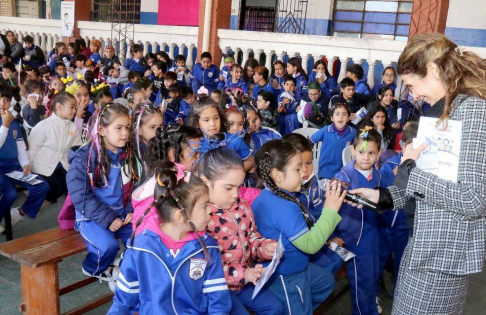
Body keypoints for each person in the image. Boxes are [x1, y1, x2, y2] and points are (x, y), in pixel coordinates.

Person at [348, 33, 486, 315]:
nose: (412, 94)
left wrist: (409, 170)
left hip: (442, 254)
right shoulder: (444, 110)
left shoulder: (473, 110)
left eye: (411, 84)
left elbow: (473, 199)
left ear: (433, 71)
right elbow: (433, 181)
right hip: (424, 244)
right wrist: (383, 196)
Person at [109, 161, 231, 314]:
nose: (210, 211)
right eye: (204, 206)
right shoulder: (140, 247)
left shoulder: (208, 247)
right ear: (181, 216)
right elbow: (124, 302)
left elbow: (217, 300)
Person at [252, 140, 345, 315]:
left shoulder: (276, 194)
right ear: (278, 175)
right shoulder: (282, 206)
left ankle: (302, 305)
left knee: (326, 283)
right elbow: (311, 245)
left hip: (297, 267)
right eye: (297, 168)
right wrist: (330, 211)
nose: (304, 172)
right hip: (286, 277)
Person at [199, 146, 284, 315]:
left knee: (276, 308)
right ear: (205, 182)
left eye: (239, 187)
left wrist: (264, 247)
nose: (236, 195)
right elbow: (207, 267)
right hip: (218, 289)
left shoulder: (242, 206)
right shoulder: (202, 218)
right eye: (228, 188)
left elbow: (251, 237)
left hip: (244, 282)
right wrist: (245, 273)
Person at [66, 103, 133, 283]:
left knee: (142, 241)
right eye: (118, 128)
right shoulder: (84, 159)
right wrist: (108, 218)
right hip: (92, 215)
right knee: (107, 247)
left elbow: (136, 187)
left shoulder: (128, 154)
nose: (125, 133)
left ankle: (126, 269)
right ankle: (93, 268)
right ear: (102, 130)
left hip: (121, 213)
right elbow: (80, 195)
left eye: (127, 127)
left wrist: (131, 210)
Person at [333, 127, 382, 315]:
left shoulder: (377, 175)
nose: (366, 157)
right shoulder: (343, 178)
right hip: (353, 238)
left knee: (372, 277)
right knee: (361, 282)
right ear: (353, 150)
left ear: (378, 153)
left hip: (373, 234)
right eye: (361, 152)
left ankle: (371, 310)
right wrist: (333, 235)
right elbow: (329, 208)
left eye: (371, 153)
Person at [282, 133, 343, 275]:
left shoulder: (312, 181)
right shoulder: (285, 193)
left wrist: (329, 236)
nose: (304, 170)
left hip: (318, 234)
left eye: (308, 163)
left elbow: (320, 209)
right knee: (327, 266)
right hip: (301, 244)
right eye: (298, 166)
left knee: (339, 257)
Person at [132, 124, 202, 234]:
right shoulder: (159, 189)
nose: (199, 157)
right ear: (173, 154)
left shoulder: (181, 176)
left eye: (200, 152)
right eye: (194, 153)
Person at [375, 122, 418, 304]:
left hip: (403, 228)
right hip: (383, 224)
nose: (416, 151)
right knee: (379, 258)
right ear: (403, 145)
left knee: (402, 262)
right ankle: (374, 289)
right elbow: (381, 190)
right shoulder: (389, 164)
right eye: (412, 146)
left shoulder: (422, 171)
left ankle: (398, 295)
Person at [0, 83, 50, 228]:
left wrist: (25, 164)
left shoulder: (13, 121)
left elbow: (20, 146)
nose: (3, 103)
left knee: (42, 186)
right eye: (0, 99)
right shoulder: (8, 122)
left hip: (13, 166)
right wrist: (5, 125)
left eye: (7, 99)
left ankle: (20, 213)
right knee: (10, 194)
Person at [28, 92, 81, 206]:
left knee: (71, 185)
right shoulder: (44, 125)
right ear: (59, 107)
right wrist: (28, 168)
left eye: (75, 107)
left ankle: (66, 216)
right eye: (72, 107)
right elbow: (31, 148)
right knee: (56, 187)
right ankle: (37, 205)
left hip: (62, 165)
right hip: (41, 166)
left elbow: (77, 148)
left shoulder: (73, 127)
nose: (74, 110)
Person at [188, 96, 255, 172]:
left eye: (216, 118)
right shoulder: (194, 145)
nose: (213, 123)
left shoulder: (235, 140)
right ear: (196, 123)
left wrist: (233, 175)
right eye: (206, 120)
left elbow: (251, 161)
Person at [311, 104, 356, 180]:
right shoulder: (325, 130)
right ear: (332, 118)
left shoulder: (353, 132)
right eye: (337, 114)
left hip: (344, 173)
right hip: (325, 171)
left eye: (344, 114)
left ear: (348, 118)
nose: (340, 117)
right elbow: (310, 142)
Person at [130, 103, 163, 187]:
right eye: (152, 127)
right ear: (139, 130)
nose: (158, 131)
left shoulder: (164, 146)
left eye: (160, 126)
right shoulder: (134, 155)